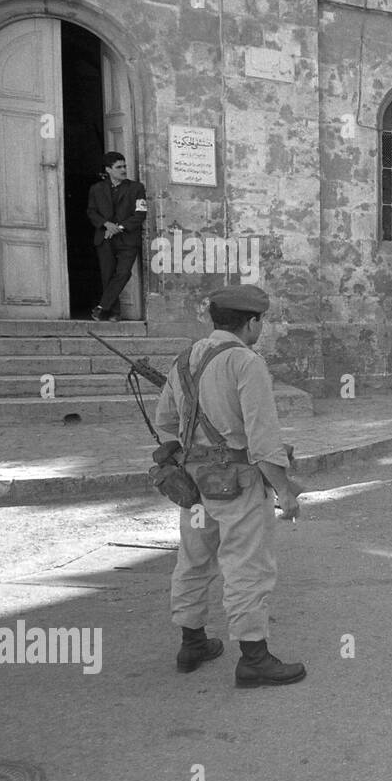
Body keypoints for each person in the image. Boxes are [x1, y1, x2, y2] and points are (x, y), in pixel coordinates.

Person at [153, 284, 305, 688]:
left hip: (195, 484)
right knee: (246, 567)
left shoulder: (184, 360)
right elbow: (263, 440)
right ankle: (253, 658)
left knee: (193, 560)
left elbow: (165, 421)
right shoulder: (245, 362)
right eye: (261, 322)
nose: (262, 328)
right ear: (252, 322)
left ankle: (192, 644)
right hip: (237, 482)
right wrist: (285, 490)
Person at [86, 151, 147, 322]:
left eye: (124, 166)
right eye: (118, 167)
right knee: (107, 275)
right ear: (108, 170)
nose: (123, 170)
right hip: (104, 237)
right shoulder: (96, 189)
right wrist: (106, 224)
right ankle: (113, 312)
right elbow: (91, 212)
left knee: (123, 273)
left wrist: (118, 227)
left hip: (127, 239)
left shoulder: (136, 188)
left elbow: (140, 214)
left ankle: (102, 307)